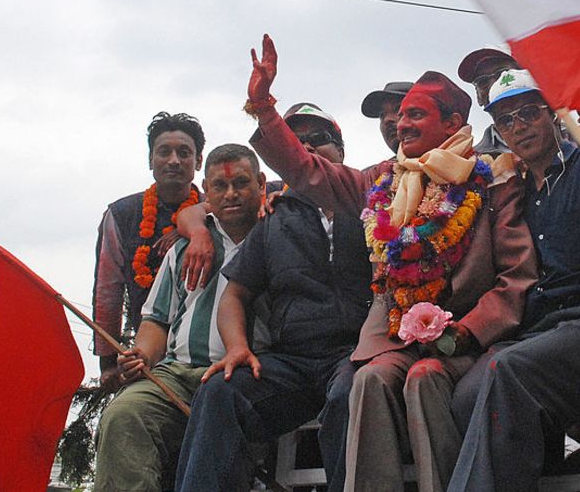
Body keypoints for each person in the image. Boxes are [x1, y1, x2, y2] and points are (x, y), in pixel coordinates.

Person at [242, 34, 537, 492]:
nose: (401, 125)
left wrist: (463, 333)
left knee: (424, 378)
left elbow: (516, 277)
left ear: (453, 122)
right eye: (400, 118)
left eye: (415, 114)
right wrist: (264, 110)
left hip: (468, 340)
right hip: (394, 336)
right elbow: (307, 171)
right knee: (370, 380)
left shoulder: (494, 175)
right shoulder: (382, 180)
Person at [448, 68, 580, 492]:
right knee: (466, 394)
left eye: (529, 112)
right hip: (549, 330)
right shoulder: (515, 192)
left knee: (507, 370)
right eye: (506, 120)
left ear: (553, 113)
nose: (519, 126)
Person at [173, 102, 371, 492]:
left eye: (321, 139)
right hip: (290, 362)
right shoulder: (273, 217)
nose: (308, 148)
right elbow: (234, 294)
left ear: (342, 151)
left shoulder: (372, 203)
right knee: (221, 391)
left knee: (352, 395)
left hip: (355, 354)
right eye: (297, 141)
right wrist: (236, 348)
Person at [94, 144, 266, 491]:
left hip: (247, 377)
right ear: (206, 192)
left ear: (262, 184)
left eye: (241, 184)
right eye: (219, 186)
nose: (230, 194)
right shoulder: (184, 246)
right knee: (123, 416)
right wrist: (140, 356)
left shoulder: (277, 234)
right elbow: (156, 320)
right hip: (177, 373)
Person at [93, 112, 205, 388]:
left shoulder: (216, 210)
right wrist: (108, 363)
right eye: (164, 152)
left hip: (205, 354)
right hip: (144, 358)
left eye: (184, 153)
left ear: (198, 161)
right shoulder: (122, 215)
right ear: (150, 160)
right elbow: (108, 290)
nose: (174, 161)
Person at [456, 46, 520, 155]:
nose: (494, 85)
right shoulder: (474, 162)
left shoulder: (557, 138)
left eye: (502, 74)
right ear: (478, 97)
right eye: (483, 81)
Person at [360, 80, 413, 154]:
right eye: (382, 115)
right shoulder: (385, 166)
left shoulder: (434, 162)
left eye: (398, 109)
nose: (387, 119)